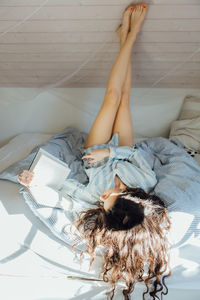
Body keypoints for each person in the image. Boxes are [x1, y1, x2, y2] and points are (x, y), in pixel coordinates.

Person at [18, 4, 171, 299]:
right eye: (108, 197)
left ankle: (127, 36)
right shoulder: (145, 182)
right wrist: (112, 155)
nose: (101, 197)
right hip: (121, 151)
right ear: (127, 197)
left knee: (111, 98)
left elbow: (66, 192)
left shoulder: (97, 203)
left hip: (94, 152)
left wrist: (33, 182)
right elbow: (133, 154)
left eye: (102, 202)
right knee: (125, 99)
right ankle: (128, 37)